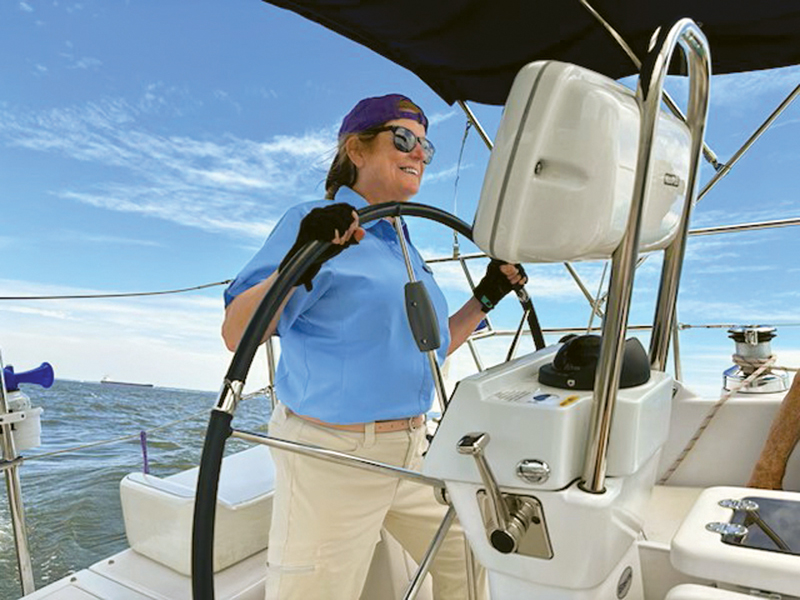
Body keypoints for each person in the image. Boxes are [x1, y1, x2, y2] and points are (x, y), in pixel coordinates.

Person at [222, 93, 527, 600]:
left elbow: (427, 350)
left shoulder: (401, 239)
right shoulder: (313, 220)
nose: (418, 154)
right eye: (402, 138)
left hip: (412, 450)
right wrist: (303, 257)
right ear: (356, 150)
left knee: (471, 568)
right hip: (332, 456)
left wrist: (485, 297)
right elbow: (237, 332)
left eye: (426, 146)